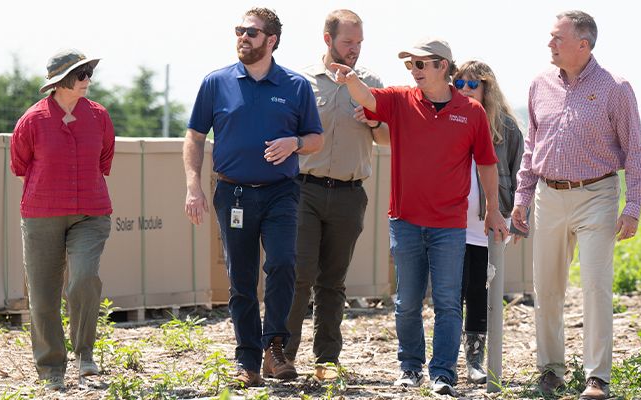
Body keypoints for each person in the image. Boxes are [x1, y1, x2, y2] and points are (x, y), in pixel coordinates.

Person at [332, 38, 508, 396]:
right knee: (407, 302)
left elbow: (488, 164)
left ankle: (442, 373)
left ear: (443, 66)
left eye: (421, 64)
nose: (414, 70)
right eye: (410, 65)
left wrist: (493, 208)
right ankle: (410, 367)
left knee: (446, 302)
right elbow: (368, 98)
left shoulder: (471, 112)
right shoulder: (399, 99)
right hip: (406, 221)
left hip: (449, 226)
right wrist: (350, 79)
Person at [182, 7, 323, 388]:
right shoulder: (216, 82)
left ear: (271, 40)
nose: (243, 37)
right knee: (240, 279)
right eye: (239, 30)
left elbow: (316, 138)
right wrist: (193, 186)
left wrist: (294, 143)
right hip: (233, 194)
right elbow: (195, 137)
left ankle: (275, 347)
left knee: (282, 264)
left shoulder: (295, 86)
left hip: (281, 193)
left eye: (252, 32)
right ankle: (248, 360)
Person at [512, 10, 641, 400]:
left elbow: (635, 152)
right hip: (548, 196)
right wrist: (523, 196)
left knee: (595, 286)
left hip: (597, 196)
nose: (550, 44)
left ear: (583, 44)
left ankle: (597, 378)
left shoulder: (615, 88)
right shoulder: (539, 84)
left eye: (557, 38)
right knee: (547, 288)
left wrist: (634, 205)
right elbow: (532, 147)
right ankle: (551, 370)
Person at [283, 9, 390, 382]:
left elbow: (388, 140)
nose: (354, 50)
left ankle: (326, 361)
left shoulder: (372, 84)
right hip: (304, 191)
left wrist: (375, 120)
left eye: (359, 43)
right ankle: (283, 355)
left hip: (349, 194)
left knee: (333, 281)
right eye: (348, 42)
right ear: (327, 40)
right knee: (298, 274)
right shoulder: (301, 82)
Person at [10, 49, 115, 390]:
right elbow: (20, 164)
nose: (88, 81)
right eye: (81, 75)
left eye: (89, 74)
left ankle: (85, 353)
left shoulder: (99, 116)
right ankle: (51, 368)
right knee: (43, 294)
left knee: (84, 277)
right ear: (60, 81)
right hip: (41, 215)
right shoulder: (32, 120)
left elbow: (104, 158)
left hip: (90, 211)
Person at [454, 60, 524, 384]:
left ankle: (475, 359)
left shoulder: (507, 127)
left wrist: (515, 214)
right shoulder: (450, 119)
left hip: (486, 226)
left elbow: (518, 172)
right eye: (459, 84)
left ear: (486, 88)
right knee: (450, 292)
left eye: (472, 85)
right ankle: (444, 358)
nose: (465, 90)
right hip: (451, 224)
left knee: (478, 294)